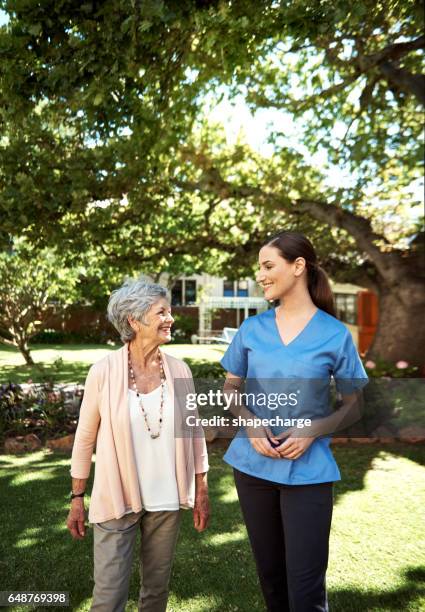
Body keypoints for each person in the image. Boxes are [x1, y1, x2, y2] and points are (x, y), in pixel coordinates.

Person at [220, 230, 368, 612]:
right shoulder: (252, 329)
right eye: (259, 268)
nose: (260, 275)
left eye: (268, 266)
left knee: (305, 591)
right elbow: (230, 392)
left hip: (309, 474)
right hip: (252, 470)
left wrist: (313, 429)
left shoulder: (335, 335)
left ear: (298, 266)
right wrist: (250, 422)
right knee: (271, 580)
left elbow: (354, 405)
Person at [66, 277, 209, 612]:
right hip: (117, 496)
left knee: (156, 593)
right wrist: (76, 497)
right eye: (161, 312)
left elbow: (194, 432)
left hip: (166, 500)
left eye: (169, 311)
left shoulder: (180, 370)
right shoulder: (103, 371)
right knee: (108, 596)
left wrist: (201, 487)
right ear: (133, 320)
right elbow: (85, 438)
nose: (170, 318)